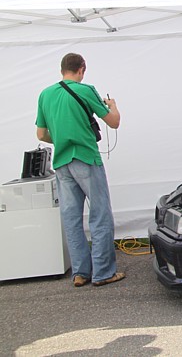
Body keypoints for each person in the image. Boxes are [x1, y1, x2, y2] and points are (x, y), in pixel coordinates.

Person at [35, 53, 125, 288]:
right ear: (82, 69)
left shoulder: (45, 94)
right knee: (100, 214)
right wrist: (113, 106)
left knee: (72, 218)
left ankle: (80, 273)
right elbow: (113, 122)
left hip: (62, 162)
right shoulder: (86, 90)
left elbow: (41, 135)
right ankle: (103, 272)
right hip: (85, 157)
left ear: (62, 69)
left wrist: (63, 138)